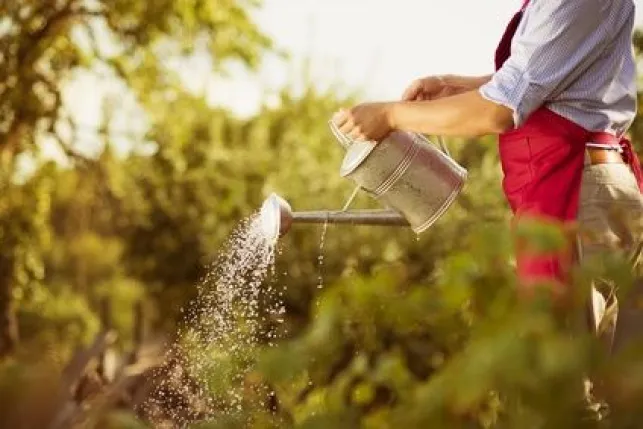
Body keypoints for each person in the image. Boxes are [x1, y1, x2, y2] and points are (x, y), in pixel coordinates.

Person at [333, 0, 643, 354]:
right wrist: (461, 88)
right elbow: (549, 76)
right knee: (593, 382)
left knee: (557, 380)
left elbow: (499, 110)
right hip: (584, 187)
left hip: (574, 189)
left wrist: (390, 115)